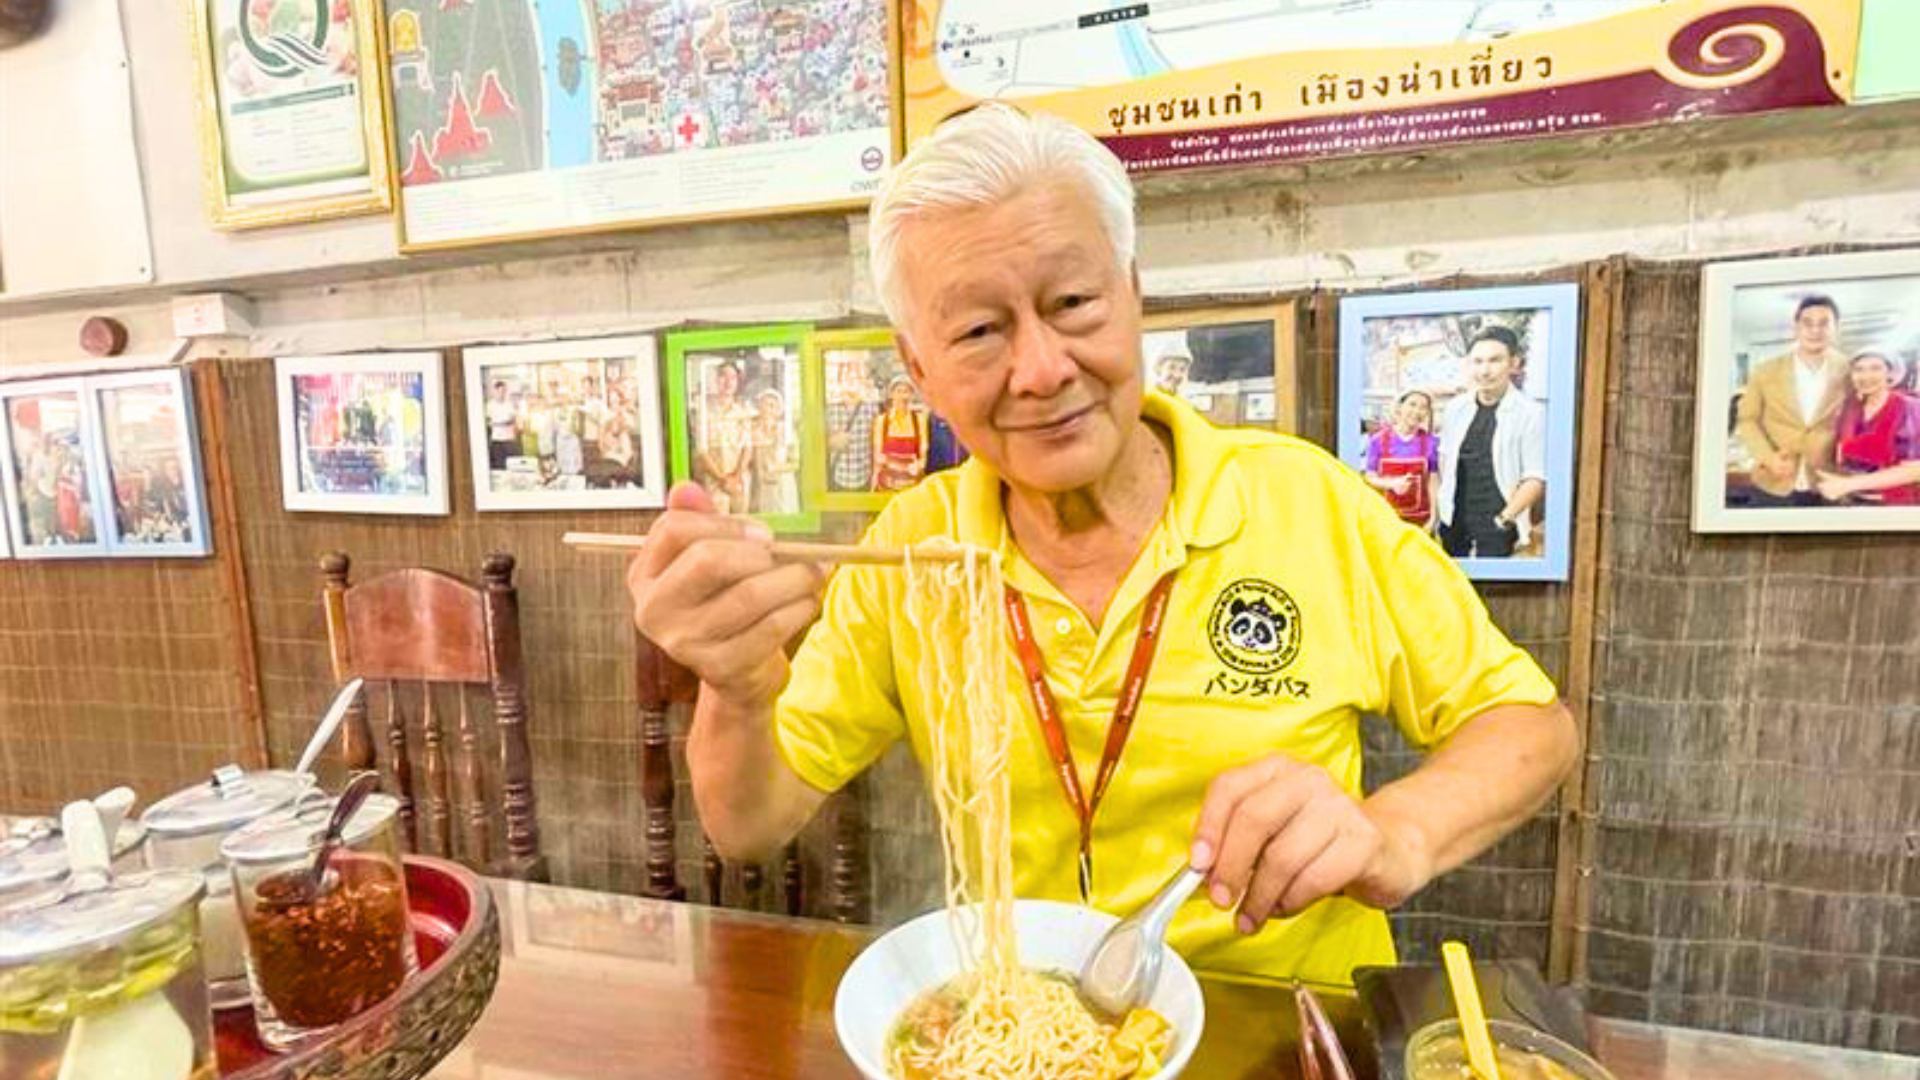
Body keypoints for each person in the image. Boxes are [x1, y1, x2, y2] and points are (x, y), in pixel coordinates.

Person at [624, 105, 1577, 985]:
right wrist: (739, 685)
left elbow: (1532, 727)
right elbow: (747, 824)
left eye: (1073, 303)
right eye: (980, 330)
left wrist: (1393, 833)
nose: (1041, 370)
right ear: (918, 369)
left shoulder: (1305, 502)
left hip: (1276, 1024)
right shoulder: (913, 551)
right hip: (1027, 1027)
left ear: (1132, 293)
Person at [1435, 326, 1547, 558]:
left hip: (1499, 524)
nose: (1485, 370)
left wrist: (1504, 520)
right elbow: (1445, 458)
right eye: (1477, 361)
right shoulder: (1456, 408)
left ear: (1514, 363)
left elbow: (1535, 477)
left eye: (1495, 360)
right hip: (1454, 520)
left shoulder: (1531, 413)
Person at [1732, 294, 1848, 506]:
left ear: (1836, 328)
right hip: (1773, 481)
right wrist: (1768, 457)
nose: (1815, 330)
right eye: (1807, 323)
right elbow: (1747, 419)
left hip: (1827, 483)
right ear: (1795, 328)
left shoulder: (1850, 371)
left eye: (1824, 323)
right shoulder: (1765, 371)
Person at [1815, 350, 1920, 506]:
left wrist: (1849, 484)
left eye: (1875, 368)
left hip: (1898, 506)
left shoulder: (1910, 408)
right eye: (1859, 369)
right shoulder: (1848, 410)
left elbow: (1915, 470)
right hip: (1853, 502)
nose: (1866, 376)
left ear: (1890, 374)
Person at [1364, 390, 1440, 531]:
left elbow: (1433, 482)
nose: (1417, 411)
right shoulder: (1378, 441)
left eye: (1423, 407)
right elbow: (1370, 477)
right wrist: (1391, 484)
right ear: (1399, 407)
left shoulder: (1432, 443)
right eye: (1412, 404)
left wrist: (1433, 519)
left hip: (1421, 521)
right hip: (1386, 519)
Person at [695, 360, 754, 513]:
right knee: (719, 528)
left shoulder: (744, 410)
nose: (728, 382)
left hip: (740, 479)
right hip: (714, 480)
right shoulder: (704, 410)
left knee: (741, 527)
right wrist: (722, 479)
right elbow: (702, 450)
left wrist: (736, 477)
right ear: (716, 380)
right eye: (723, 376)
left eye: (733, 377)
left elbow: (748, 447)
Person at [826, 367, 879, 492]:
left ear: (862, 382)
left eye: (856, 378)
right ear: (841, 382)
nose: (852, 381)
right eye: (847, 378)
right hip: (839, 477)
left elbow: (877, 442)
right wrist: (831, 442)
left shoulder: (872, 409)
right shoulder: (831, 409)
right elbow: (817, 441)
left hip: (864, 477)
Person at [869, 376, 927, 491]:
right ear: (891, 395)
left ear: (911, 395)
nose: (902, 396)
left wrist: (919, 465)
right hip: (887, 485)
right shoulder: (882, 421)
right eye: (898, 391)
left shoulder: (919, 420)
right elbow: (877, 456)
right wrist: (874, 483)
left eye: (906, 392)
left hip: (912, 484)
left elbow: (923, 453)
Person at [750, 387, 801, 514]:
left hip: (783, 486)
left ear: (778, 410)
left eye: (772, 406)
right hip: (762, 488)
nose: (768, 409)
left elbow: (796, 463)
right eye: (764, 405)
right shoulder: (752, 431)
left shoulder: (786, 431)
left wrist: (777, 467)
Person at [486, 380, 519, 472]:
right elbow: (489, 422)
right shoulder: (490, 405)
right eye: (500, 391)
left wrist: (497, 423)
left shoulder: (509, 404)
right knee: (499, 465)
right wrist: (502, 423)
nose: (502, 393)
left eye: (504, 391)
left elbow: (512, 420)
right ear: (495, 391)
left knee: (512, 465)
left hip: (509, 439)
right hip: (496, 440)